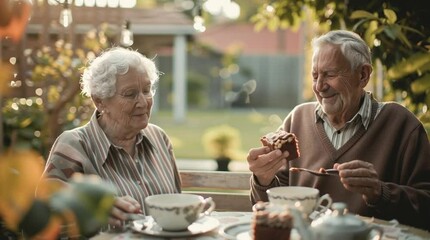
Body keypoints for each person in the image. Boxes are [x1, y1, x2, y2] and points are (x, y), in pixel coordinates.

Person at [247, 30, 430, 231]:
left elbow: (425, 209)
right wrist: (263, 180)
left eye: (330, 75)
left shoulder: (401, 124)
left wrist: (380, 192)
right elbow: (270, 210)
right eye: (315, 75)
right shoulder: (297, 119)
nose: (319, 86)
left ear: (363, 75)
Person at [39, 47, 181, 227]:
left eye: (147, 90)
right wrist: (92, 205)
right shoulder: (74, 145)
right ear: (99, 101)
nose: (144, 102)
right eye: (130, 94)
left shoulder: (159, 138)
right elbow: (47, 202)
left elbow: (177, 204)